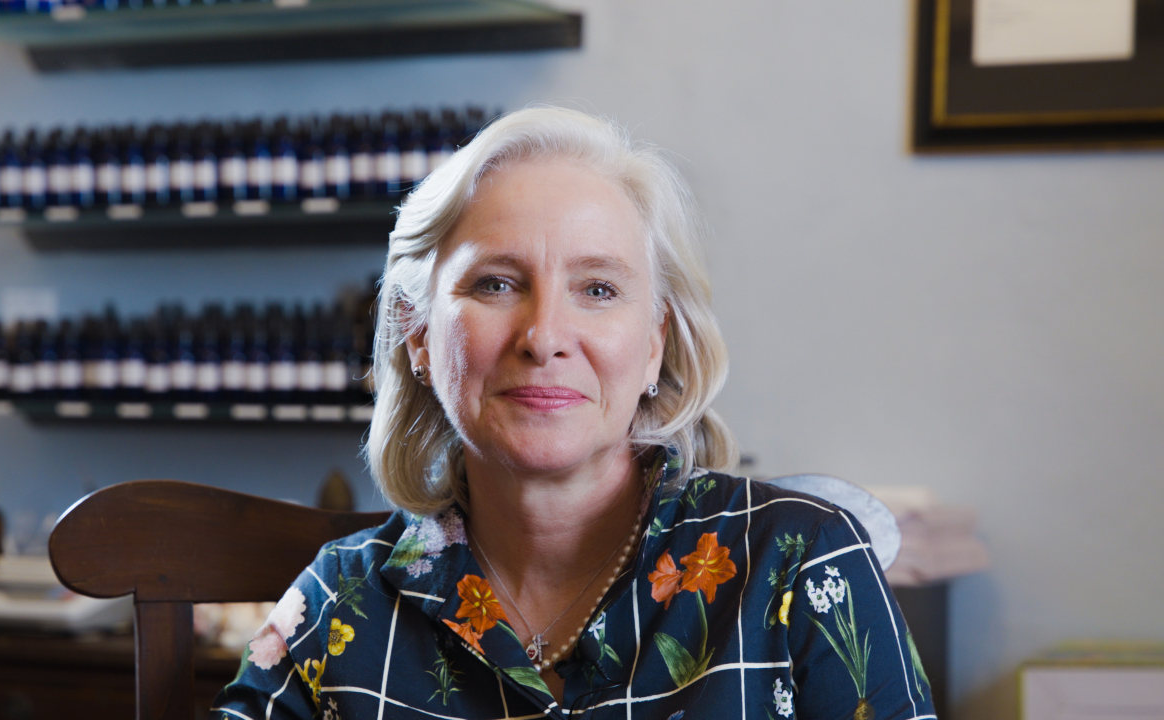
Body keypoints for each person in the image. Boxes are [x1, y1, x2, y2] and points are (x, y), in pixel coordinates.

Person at [213, 107, 936, 720]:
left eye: (597, 290)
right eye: (497, 284)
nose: (546, 338)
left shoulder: (799, 564)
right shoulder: (339, 602)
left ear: (655, 344)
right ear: (419, 335)